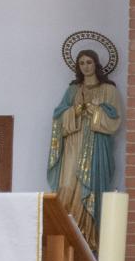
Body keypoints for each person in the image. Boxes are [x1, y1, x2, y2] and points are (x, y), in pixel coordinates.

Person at [48, 48, 122, 249]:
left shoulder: (109, 90)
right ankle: (66, 233)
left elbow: (114, 120)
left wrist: (95, 111)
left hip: (96, 146)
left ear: (96, 64)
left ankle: (88, 236)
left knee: (89, 187)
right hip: (73, 143)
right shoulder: (72, 90)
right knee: (67, 185)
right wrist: (76, 110)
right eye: (82, 63)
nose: (86, 66)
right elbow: (58, 117)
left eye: (89, 62)